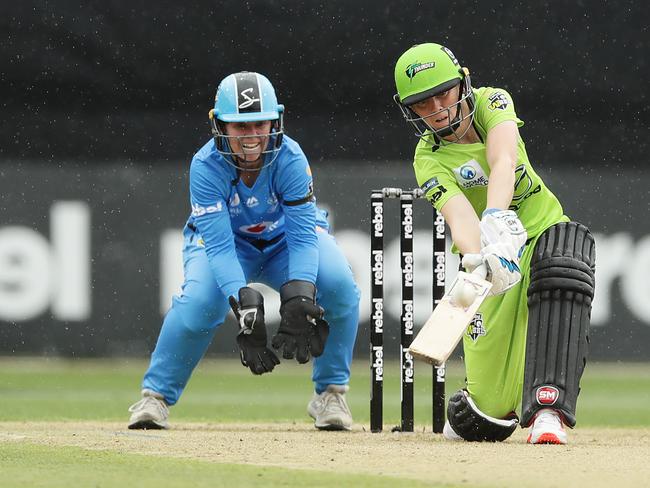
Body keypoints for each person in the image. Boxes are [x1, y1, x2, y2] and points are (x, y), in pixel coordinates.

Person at [128, 71, 360, 431]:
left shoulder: (292, 158)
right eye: (240, 127)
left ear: (274, 121)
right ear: (220, 125)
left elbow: (302, 236)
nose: (252, 136)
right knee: (200, 304)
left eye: (259, 124)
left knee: (339, 286)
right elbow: (219, 247)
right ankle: (155, 396)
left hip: (285, 242)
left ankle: (330, 393)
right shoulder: (205, 166)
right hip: (228, 246)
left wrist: (300, 291)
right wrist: (244, 304)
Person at [393, 43, 595, 444]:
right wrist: (477, 257)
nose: (436, 108)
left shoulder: (493, 101)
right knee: (482, 418)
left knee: (564, 267)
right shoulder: (427, 160)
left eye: (443, 93)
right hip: (490, 257)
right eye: (422, 103)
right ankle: (488, 405)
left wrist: (498, 218)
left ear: (463, 83)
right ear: (409, 109)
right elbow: (459, 217)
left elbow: (502, 159)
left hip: (539, 228)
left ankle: (548, 410)